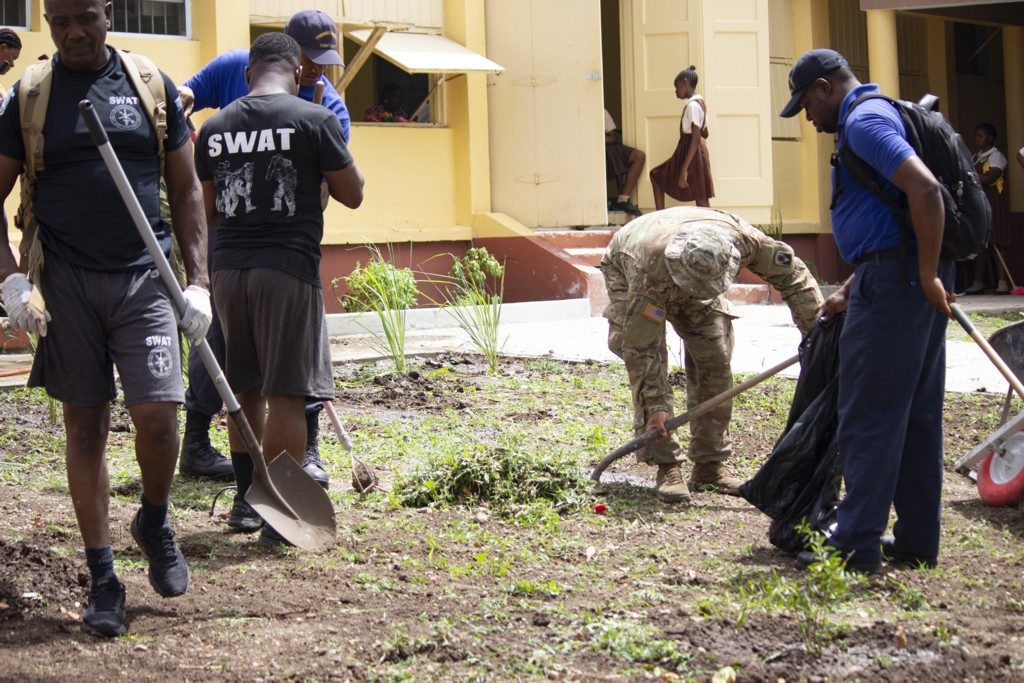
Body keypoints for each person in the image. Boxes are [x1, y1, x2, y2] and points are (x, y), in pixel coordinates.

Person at [0, 0, 211, 636]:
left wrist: (199, 284)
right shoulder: (29, 96)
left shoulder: (152, 86)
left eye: (84, 17)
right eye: (59, 20)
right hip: (65, 284)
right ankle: (102, 576)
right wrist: (10, 278)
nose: (72, 33)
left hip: (146, 279)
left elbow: (187, 187)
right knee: (85, 423)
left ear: (108, 13)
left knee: (158, 416)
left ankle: (152, 516)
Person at [781, 49, 954, 573]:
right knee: (915, 415)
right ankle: (918, 540)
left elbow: (924, 190)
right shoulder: (883, 114)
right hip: (899, 278)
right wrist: (851, 290)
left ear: (826, 86)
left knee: (870, 413)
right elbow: (894, 223)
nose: (808, 118)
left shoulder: (864, 122)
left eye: (807, 104)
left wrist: (922, 276)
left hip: (900, 284)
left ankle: (855, 541)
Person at [194, 31, 364, 545]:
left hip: (228, 274)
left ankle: (247, 508)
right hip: (288, 271)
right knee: (287, 394)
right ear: (296, 72)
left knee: (243, 391)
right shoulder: (317, 120)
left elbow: (208, 210)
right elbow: (353, 194)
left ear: (248, 74)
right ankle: (280, 517)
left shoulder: (214, 127)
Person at [600, 207, 822, 503]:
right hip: (631, 265)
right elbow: (643, 350)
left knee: (715, 358)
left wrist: (818, 334)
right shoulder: (649, 274)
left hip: (685, 257)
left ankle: (710, 464)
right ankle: (666, 464)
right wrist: (655, 407)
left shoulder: (745, 241)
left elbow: (794, 276)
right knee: (647, 361)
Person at [649, 66, 713, 210]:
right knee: (701, 197)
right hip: (695, 151)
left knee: (701, 199)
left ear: (685, 82)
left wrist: (684, 169)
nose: (676, 91)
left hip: (691, 150)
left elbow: (696, 138)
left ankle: (661, 218)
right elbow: (705, 134)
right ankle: (662, 217)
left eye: (677, 87)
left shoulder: (692, 106)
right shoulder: (701, 104)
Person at [964, 123, 1011, 294]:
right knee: (981, 243)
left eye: (980, 136)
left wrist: (968, 175)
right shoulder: (976, 156)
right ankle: (978, 282)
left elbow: (990, 177)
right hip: (980, 203)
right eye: (976, 135)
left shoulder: (996, 156)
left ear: (990, 138)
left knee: (997, 241)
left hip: (993, 202)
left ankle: (1003, 282)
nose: (977, 138)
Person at [604, 109, 644, 217]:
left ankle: (623, 199)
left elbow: (612, 137)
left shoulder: (601, 111)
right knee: (612, 154)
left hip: (606, 151)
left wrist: (597, 138)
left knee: (638, 156)